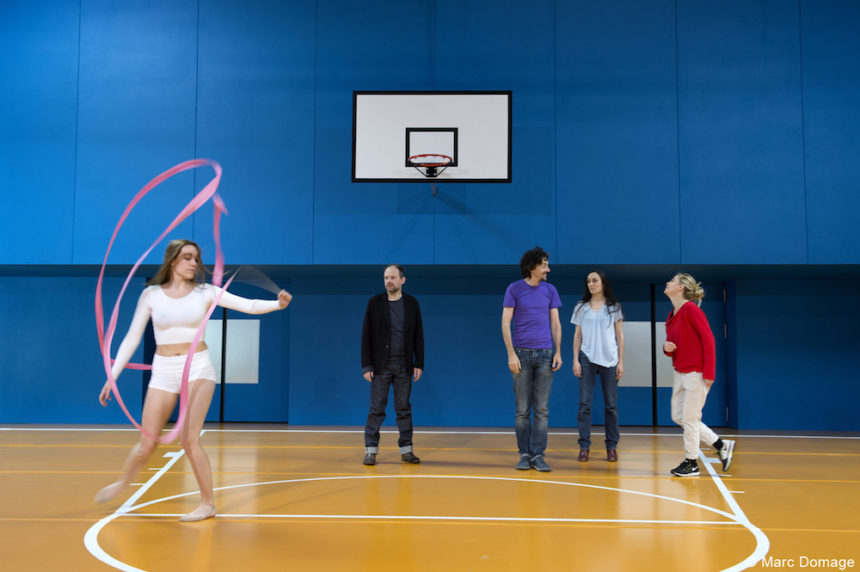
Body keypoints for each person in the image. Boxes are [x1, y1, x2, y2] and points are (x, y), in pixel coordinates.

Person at [95, 239, 292, 520]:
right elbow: (131, 338)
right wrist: (111, 377)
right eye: (187, 257)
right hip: (163, 368)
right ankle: (122, 483)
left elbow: (248, 306)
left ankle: (207, 503)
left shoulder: (206, 292)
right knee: (147, 442)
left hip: (197, 367)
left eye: (196, 259)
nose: (193, 263)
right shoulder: (151, 295)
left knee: (189, 440)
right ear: (172, 260)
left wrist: (278, 304)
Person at [662, 273, 734, 477]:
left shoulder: (691, 310)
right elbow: (673, 345)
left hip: (696, 372)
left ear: (681, 288)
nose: (668, 283)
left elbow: (709, 341)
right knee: (679, 416)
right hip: (680, 372)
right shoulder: (672, 314)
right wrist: (666, 348)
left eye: (672, 281)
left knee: (690, 419)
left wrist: (709, 373)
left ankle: (691, 462)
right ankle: (720, 445)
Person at [501, 247, 562, 472]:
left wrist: (558, 352)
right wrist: (511, 354)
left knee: (542, 410)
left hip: (546, 354)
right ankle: (524, 454)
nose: (548, 268)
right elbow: (505, 322)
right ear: (532, 267)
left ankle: (538, 455)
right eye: (544, 264)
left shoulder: (550, 290)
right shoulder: (514, 289)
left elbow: (555, 323)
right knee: (522, 410)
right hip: (521, 355)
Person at [361, 264, 424, 466]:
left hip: (404, 365)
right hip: (380, 366)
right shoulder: (375, 303)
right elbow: (366, 335)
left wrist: (419, 363)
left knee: (403, 409)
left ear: (402, 280)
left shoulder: (412, 303)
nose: (389, 281)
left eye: (393, 277)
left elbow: (418, 336)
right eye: (386, 277)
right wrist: (366, 365)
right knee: (376, 409)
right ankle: (370, 451)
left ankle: (407, 451)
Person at [571, 270, 624, 463]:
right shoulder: (581, 307)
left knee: (611, 406)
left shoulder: (614, 307)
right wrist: (575, 360)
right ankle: (584, 446)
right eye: (588, 281)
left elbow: (620, 336)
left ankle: (611, 446)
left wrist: (621, 361)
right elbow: (577, 335)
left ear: (603, 283)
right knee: (585, 404)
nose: (591, 284)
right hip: (587, 358)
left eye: (594, 280)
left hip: (610, 360)